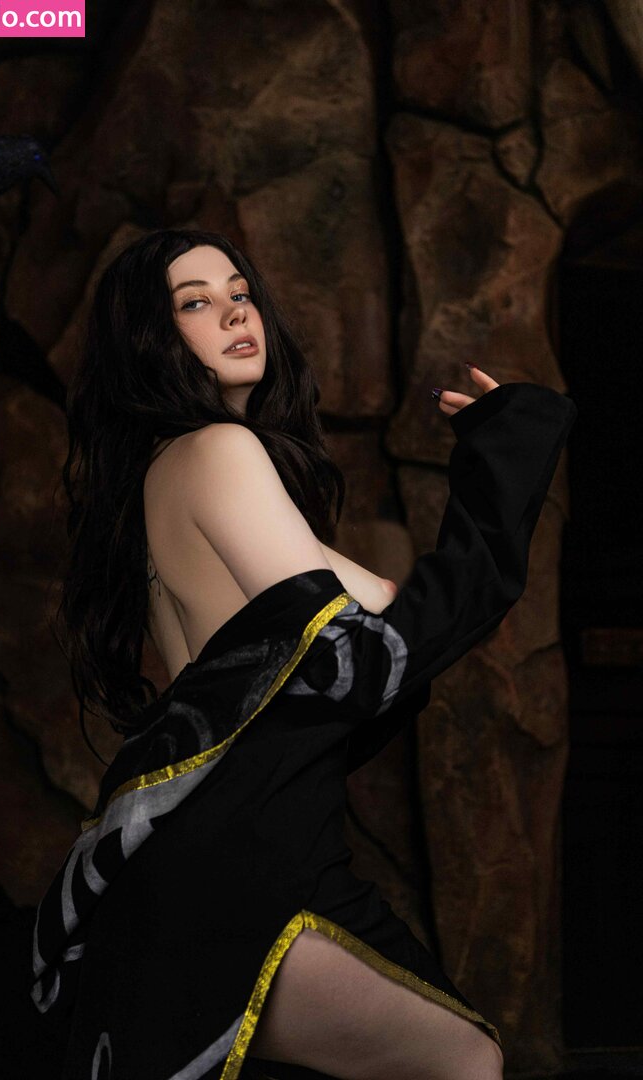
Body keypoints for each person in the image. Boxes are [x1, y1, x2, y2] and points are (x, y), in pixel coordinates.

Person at [31, 228, 578, 1080]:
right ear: (149, 337)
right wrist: (510, 457)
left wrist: (491, 465)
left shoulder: (176, 470)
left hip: (239, 846)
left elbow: (386, 624)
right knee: (465, 1058)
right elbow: (363, 667)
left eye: (240, 292)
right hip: (239, 856)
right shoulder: (218, 452)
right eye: (195, 302)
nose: (234, 313)